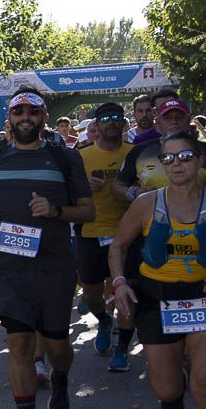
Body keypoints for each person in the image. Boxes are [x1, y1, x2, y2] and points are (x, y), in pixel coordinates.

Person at [0, 89, 94, 409]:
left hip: (55, 267)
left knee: (58, 348)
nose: (24, 117)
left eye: (32, 111)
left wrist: (56, 211)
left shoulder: (64, 157)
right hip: (10, 268)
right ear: (9, 119)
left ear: (43, 117)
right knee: (20, 345)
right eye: (18, 111)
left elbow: (88, 211)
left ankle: (60, 379)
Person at [109, 130, 206, 409]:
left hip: (204, 298)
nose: (176, 165)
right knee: (168, 389)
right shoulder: (148, 204)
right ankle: (172, 394)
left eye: (185, 157)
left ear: (199, 160)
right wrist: (120, 282)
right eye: (168, 159)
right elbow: (118, 246)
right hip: (156, 298)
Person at [76, 102, 135, 368]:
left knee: (124, 291)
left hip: (128, 233)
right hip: (91, 232)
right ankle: (103, 320)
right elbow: (67, 193)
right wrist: (82, 188)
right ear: (96, 125)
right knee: (90, 294)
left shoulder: (136, 153)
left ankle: (122, 347)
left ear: (123, 123)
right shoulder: (81, 156)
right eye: (106, 118)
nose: (112, 122)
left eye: (116, 118)